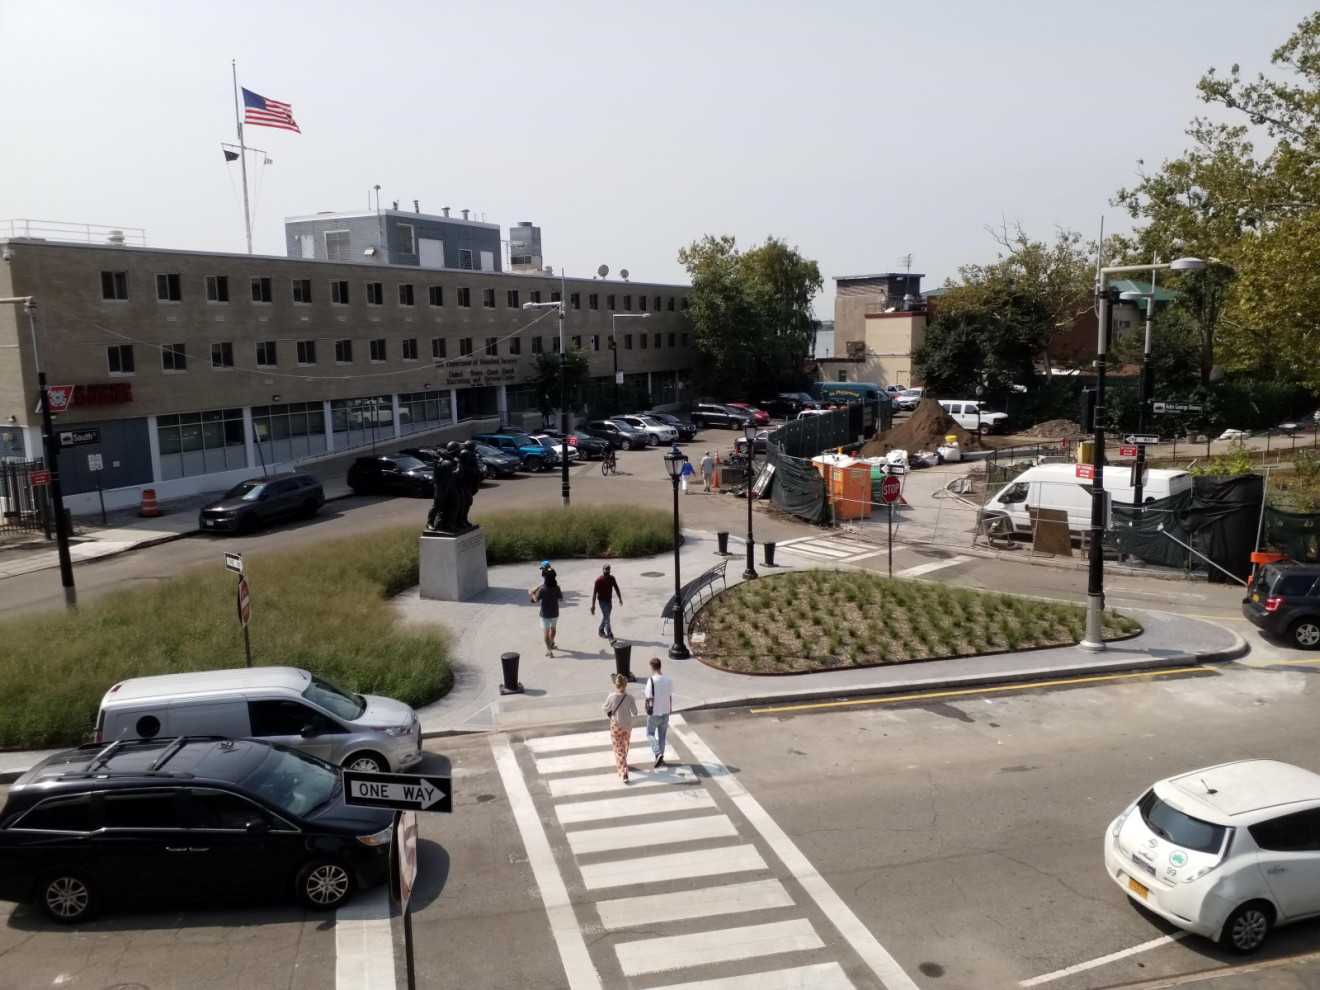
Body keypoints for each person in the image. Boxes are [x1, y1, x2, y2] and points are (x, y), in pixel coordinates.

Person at [603, 673, 638, 783]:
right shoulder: (630, 698)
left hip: (616, 724)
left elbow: (605, 708)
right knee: (625, 744)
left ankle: (624, 772)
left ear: (616, 685)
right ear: (626, 685)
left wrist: (610, 714)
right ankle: (624, 760)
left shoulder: (611, 697)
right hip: (627, 724)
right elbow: (635, 712)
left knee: (619, 748)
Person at [644, 657, 674, 769]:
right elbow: (669, 695)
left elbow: (649, 697)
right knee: (662, 736)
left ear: (652, 667)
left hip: (655, 712)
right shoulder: (668, 680)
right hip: (666, 711)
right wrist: (670, 708)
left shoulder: (651, 681)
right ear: (660, 666)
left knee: (650, 733)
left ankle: (657, 753)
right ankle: (660, 757)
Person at [529, 565, 564, 657]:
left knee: (546, 632)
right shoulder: (557, 587)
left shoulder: (542, 588)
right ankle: (551, 642)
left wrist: (531, 593)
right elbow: (561, 599)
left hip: (545, 613)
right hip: (555, 613)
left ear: (545, 577)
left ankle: (549, 650)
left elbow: (536, 600)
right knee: (553, 629)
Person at [589, 564, 623, 644]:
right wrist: (593, 606)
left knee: (606, 617)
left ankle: (601, 630)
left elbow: (616, 588)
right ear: (603, 570)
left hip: (609, 600)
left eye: (609, 569)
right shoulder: (599, 580)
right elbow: (594, 594)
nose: (607, 570)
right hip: (602, 601)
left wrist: (620, 598)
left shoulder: (612, 578)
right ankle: (610, 637)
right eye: (606, 569)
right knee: (607, 619)